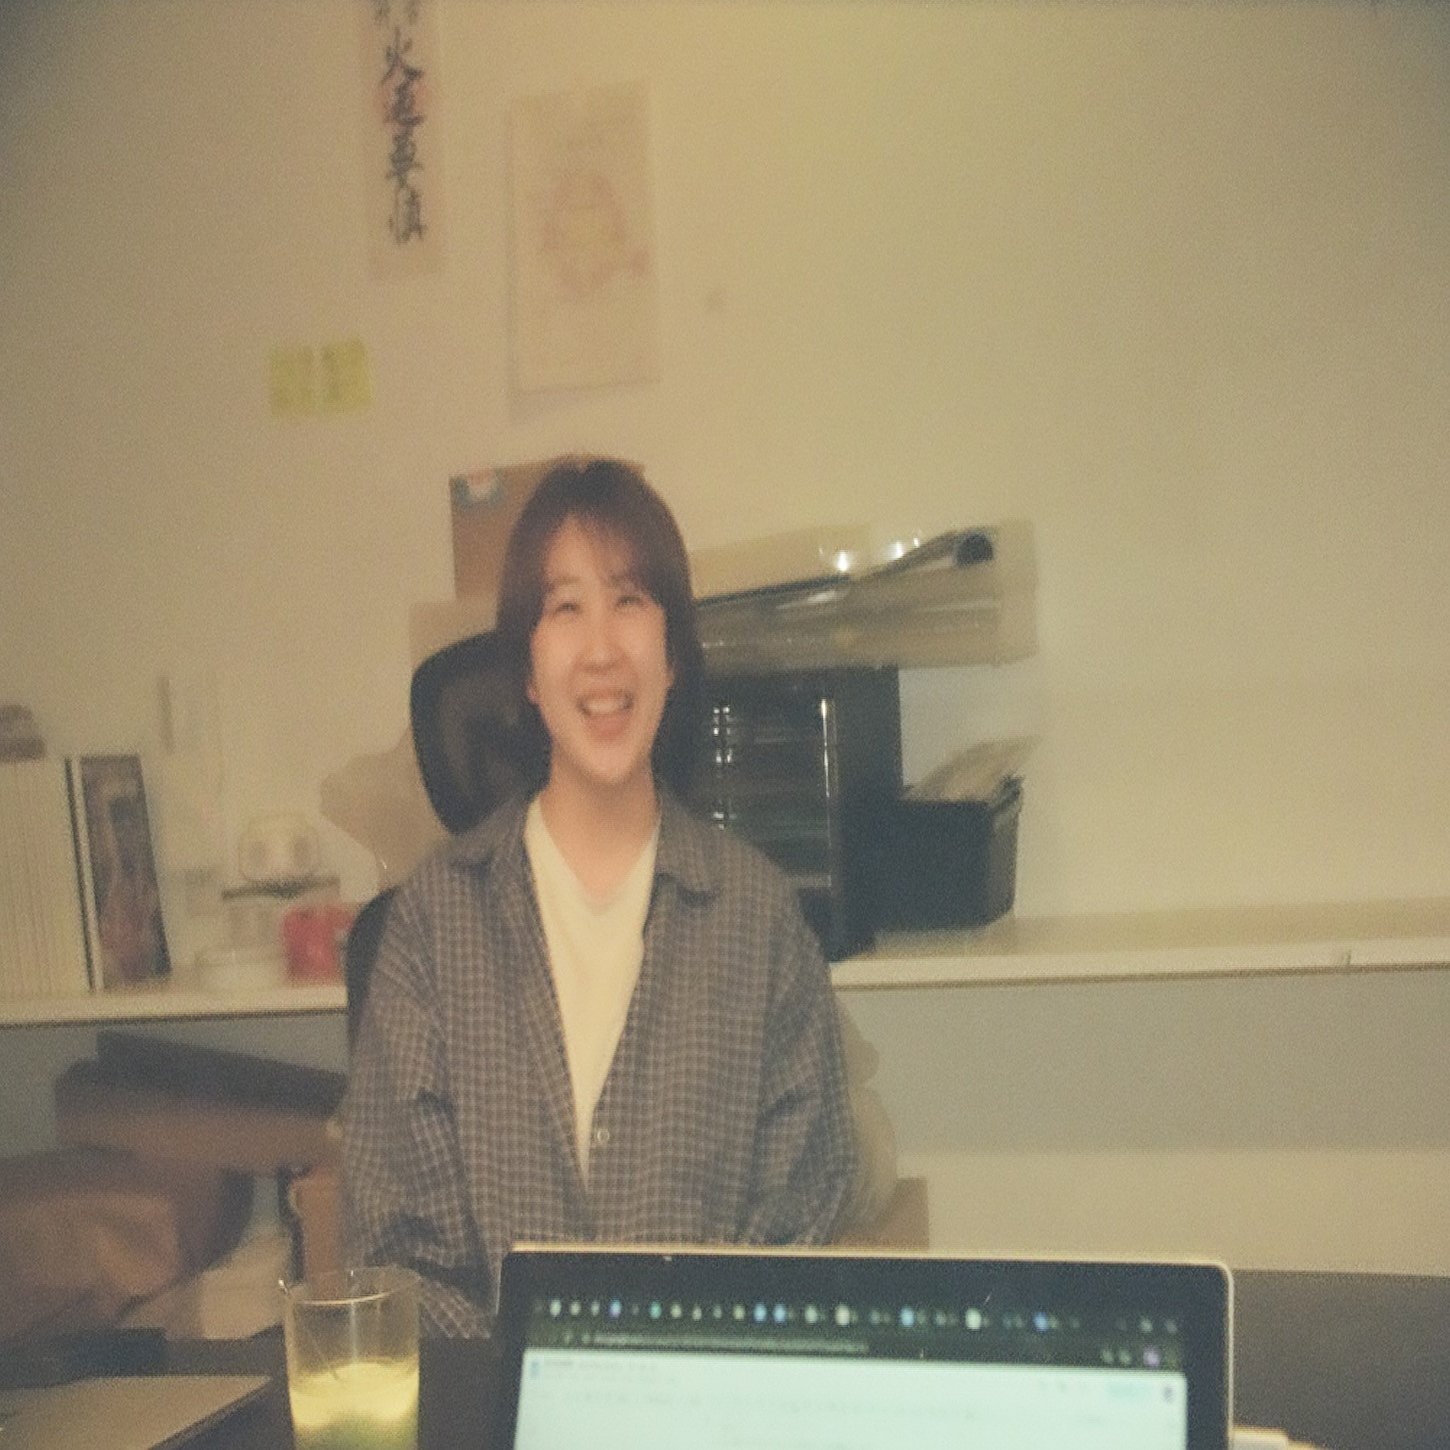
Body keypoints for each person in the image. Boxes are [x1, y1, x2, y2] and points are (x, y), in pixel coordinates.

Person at [341, 457, 860, 1336]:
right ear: (527, 670)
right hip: (490, 1404)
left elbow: (797, 1225)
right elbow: (398, 1257)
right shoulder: (437, 920)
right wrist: (535, 1386)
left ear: (673, 655)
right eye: (565, 608)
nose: (601, 650)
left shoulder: (758, 920)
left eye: (629, 600)